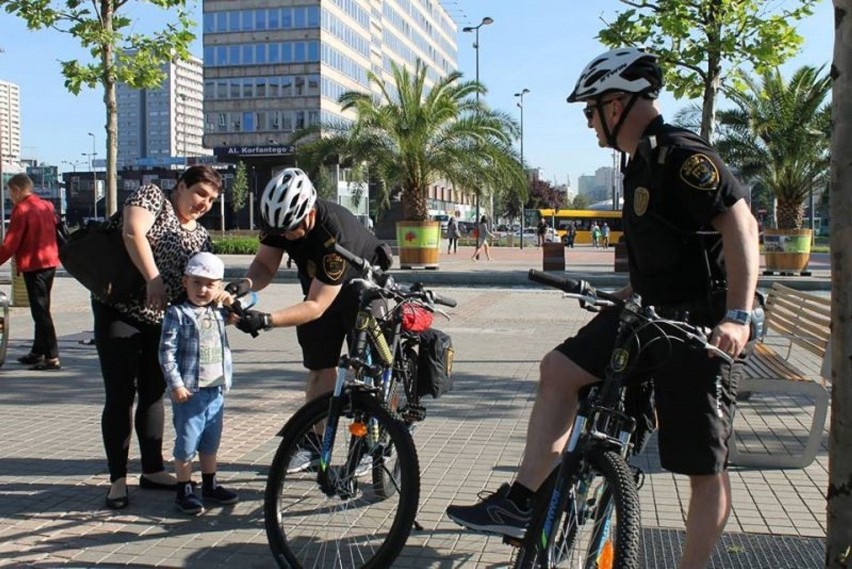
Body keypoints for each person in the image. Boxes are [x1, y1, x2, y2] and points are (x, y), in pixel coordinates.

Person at [446, 47, 759, 569]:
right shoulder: (637, 165)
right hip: (649, 313)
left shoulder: (682, 155)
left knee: (703, 469)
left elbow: (741, 225)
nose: (588, 122)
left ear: (617, 104)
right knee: (559, 369)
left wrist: (739, 315)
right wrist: (629, 295)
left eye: (590, 110)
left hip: (699, 327)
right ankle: (522, 502)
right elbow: (671, 251)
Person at [227, 167, 392, 473]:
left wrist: (265, 320)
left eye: (291, 229)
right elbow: (265, 264)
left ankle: (372, 442)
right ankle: (312, 446)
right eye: (279, 231)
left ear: (310, 212)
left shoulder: (333, 237)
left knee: (366, 371)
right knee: (319, 368)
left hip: (363, 290)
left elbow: (316, 306)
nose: (285, 236)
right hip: (320, 286)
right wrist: (245, 285)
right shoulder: (278, 222)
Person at [95, 165, 223, 510]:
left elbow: (202, 284)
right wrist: (153, 278)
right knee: (121, 394)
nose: (204, 204)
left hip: (161, 323)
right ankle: (117, 479)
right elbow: (132, 232)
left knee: (154, 393)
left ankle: (152, 468)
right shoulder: (153, 197)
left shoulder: (200, 237)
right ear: (180, 186)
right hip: (119, 310)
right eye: (200, 193)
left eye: (211, 199)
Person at [159, 252, 239, 515]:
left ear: (218, 286)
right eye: (197, 282)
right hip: (190, 391)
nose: (203, 289)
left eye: (210, 284)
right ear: (185, 282)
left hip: (215, 389)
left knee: (210, 442)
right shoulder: (177, 313)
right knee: (187, 443)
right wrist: (176, 384)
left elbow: (244, 310)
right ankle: (184, 488)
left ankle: (210, 484)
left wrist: (231, 300)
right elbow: (166, 352)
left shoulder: (218, 312)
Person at [0, 174, 61, 370]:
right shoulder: (46, 206)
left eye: (10, 192)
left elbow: (10, 244)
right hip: (50, 262)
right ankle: (37, 351)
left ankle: (52, 356)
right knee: (42, 307)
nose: (10, 197)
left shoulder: (22, 209)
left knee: (40, 311)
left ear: (17, 190)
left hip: (34, 264)